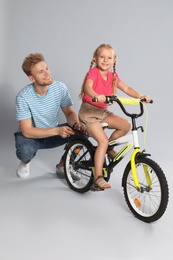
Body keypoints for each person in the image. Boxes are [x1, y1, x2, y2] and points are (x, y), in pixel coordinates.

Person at [78, 43, 152, 190]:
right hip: (89, 112)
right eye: (102, 57)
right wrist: (95, 95)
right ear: (95, 58)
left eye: (109, 58)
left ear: (114, 60)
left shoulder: (113, 76)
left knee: (125, 126)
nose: (105, 60)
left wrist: (141, 96)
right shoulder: (93, 73)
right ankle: (98, 176)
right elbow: (88, 86)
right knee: (103, 141)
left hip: (102, 112)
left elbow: (126, 88)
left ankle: (105, 149)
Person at [14, 53, 82, 178]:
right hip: (31, 137)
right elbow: (27, 131)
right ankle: (25, 162)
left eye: (47, 68)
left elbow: (69, 113)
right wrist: (57, 130)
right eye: (41, 72)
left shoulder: (60, 88)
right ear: (32, 78)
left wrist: (76, 124)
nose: (47, 74)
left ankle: (63, 165)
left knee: (82, 134)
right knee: (25, 151)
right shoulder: (23, 97)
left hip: (53, 133)